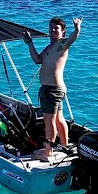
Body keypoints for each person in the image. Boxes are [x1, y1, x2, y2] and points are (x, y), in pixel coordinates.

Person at [23, 16, 81, 161]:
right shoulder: (49, 47)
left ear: (62, 32)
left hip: (52, 90)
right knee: (59, 119)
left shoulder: (62, 44)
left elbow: (71, 39)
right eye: (51, 28)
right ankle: (65, 146)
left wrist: (77, 28)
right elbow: (37, 60)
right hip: (53, 89)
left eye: (56, 29)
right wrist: (30, 43)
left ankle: (48, 151)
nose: (52, 31)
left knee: (49, 121)